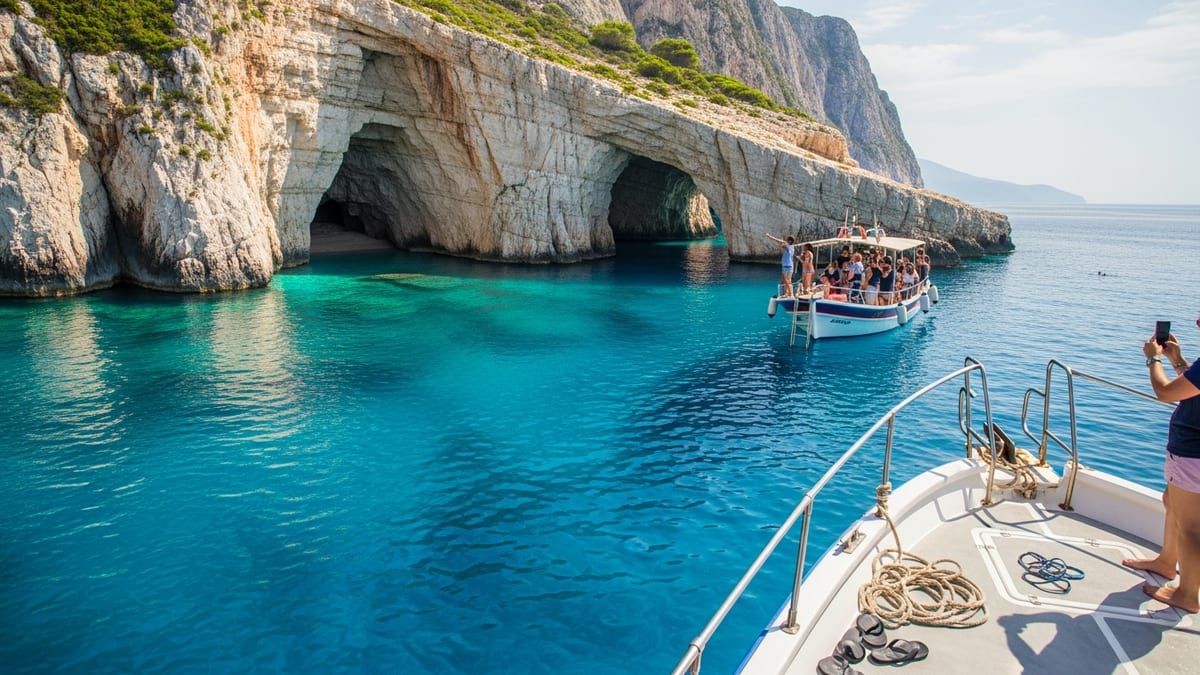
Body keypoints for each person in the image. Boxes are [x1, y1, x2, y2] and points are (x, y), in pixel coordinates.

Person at [1122, 314, 1200, 613]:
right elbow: (1191, 388)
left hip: (1193, 453)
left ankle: (1187, 594)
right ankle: (1167, 562)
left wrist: (1153, 359)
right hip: (1188, 452)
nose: (1197, 322)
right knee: (1171, 502)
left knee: (1191, 528)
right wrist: (1177, 360)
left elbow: (1165, 393)